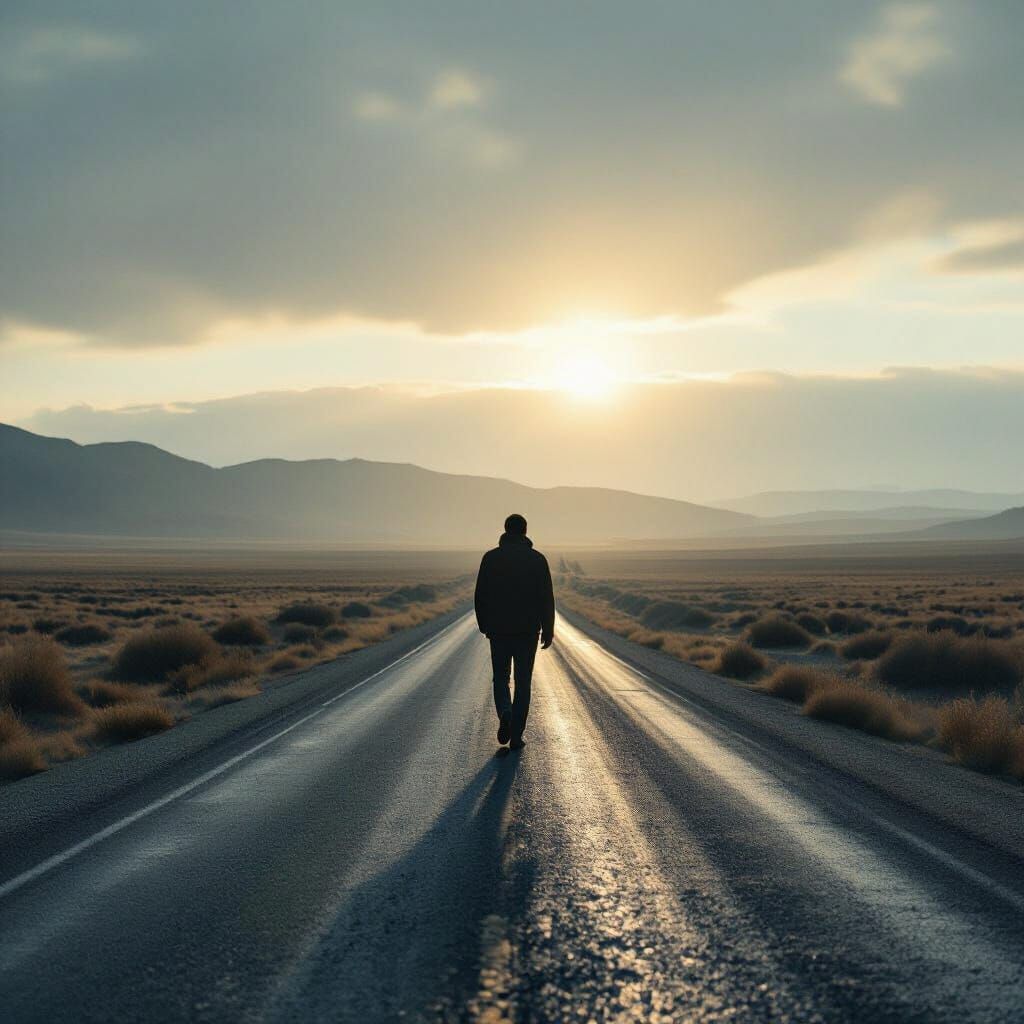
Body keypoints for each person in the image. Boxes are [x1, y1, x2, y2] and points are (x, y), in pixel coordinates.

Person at [474, 513, 555, 750]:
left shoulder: (491, 558)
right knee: (523, 682)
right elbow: (546, 598)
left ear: (505, 530)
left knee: (500, 677)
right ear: (525, 531)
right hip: (527, 631)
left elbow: (481, 594)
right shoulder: (537, 559)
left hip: (498, 630)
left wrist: (484, 623)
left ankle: (505, 713)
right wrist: (548, 629)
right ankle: (517, 734)